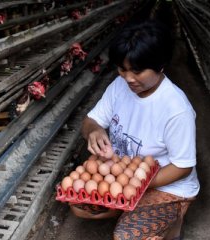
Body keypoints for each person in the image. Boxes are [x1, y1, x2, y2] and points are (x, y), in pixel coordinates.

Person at [72, 19, 200, 240]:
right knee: (79, 206)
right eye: (123, 68)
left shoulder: (176, 109)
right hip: (127, 177)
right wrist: (94, 131)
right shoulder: (119, 87)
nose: (128, 78)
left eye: (138, 71)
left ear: (160, 66)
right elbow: (90, 121)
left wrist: (134, 184)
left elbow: (182, 167)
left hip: (167, 186)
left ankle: (173, 219)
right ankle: (128, 207)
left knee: (126, 237)